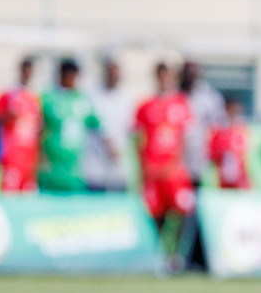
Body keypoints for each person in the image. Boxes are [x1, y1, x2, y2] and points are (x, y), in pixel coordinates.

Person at [133, 62, 194, 234]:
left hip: (173, 172)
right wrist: (143, 168)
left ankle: (176, 254)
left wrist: (176, 164)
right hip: (152, 172)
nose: (163, 79)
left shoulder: (182, 103)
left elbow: (186, 139)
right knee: (153, 215)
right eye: (160, 75)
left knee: (184, 211)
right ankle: (158, 255)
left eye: (167, 75)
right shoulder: (145, 105)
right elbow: (139, 140)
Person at [39, 58, 103, 193]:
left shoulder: (83, 100)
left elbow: (100, 127)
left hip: (75, 171)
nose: (72, 79)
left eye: (75, 75)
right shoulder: (48, 98)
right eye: (69, 75)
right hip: (51, 169)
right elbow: (39, 129)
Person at [0, 57, 41, 193]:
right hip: (11, 156)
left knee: (27, 194)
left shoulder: (35, 96)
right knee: (9, 191)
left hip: (29, 160)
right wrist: (5, 116)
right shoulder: (9, 94)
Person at [84, 56, 130, 192]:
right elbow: (99, 126)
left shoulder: (126, 100)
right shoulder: (93, 96)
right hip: (95, 172)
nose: (114, 76)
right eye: (111, 72)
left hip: (118, 171)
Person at [179, 60, 226, 187]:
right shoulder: (174, 95)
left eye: (192, 72)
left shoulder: (208, 97)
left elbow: (218, 126)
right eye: (187, 72)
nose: (189, 75)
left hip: (199, 156)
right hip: (176, 157)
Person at [206, 95, 252, 190]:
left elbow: (244, 152)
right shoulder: (218, 129)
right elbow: (213, 153)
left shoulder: (241, 128)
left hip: (239, 175)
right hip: (223, 175)